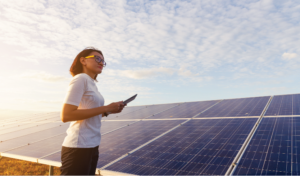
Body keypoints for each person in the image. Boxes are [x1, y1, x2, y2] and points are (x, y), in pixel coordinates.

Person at [60, 47, 125, 176]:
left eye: (103, 61)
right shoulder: (80, 79)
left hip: (92, 145)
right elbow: (66, 115)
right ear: (83, 60)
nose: (101, 63)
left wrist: (109, 111)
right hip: (78, 147)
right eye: (97, 58)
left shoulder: (92, 84)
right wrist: (106, 108)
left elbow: (89, 112)